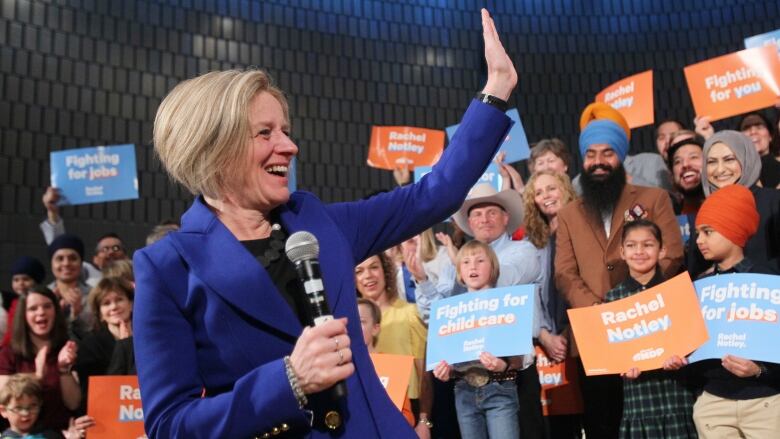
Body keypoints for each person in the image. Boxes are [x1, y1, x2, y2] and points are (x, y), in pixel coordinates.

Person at [131, 9, 517, 438]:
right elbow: (169, 426)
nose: (289, 146)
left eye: (287, 130)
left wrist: (496, 89)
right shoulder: (167, 268)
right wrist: (288, 380)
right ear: (212, 146)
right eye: (266, 133)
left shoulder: (319, 222)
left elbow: (434, 194)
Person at [555, 102, 683, 439]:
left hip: (650, 330)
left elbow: (673, 254)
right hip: (595, 338)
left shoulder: (654, 198)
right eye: (591, 154)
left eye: (608, 153)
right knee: (602, 425)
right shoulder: (569, 214)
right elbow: (565, 273)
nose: (599, 161)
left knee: (655, 423)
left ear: (621, 157)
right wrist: (598, 311)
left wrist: (634, 303)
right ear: (583, 161)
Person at [665, 184, 780, 438]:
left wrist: (760, 370)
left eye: (707, 232)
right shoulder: (697, 287)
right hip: (713, 403)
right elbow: (693, 352)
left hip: (766, 401)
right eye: (697, 233)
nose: (699, 241)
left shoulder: (770, 280)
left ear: (733, 231)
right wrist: (678, 361)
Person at [605, 220, 697, 438]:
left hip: (676, 393)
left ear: (662, 249)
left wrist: (684, 358)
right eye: (631, 245)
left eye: (647, 245)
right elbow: (614, 353)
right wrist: (622, 364)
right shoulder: (613, 300)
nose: (639, 251)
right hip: (638, 398)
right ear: (622, 251)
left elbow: (693, 342)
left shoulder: (677, 291)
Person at [432, 240, 522, 439]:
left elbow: (522, 356)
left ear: (493, 267)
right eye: (465, 262)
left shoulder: (508, 302)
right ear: (459, 273)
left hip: (500, 389)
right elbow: (450, 359)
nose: (472, 266)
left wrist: (502, 365)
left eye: (480, 260)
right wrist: (447, 371)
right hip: (464, 392)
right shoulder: (451, 311)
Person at [522, 171, 582, 438]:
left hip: (581, 338)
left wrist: (571, 331)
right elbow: (528, 293)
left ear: (566, 190)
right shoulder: (531, 244)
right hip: (547, 344)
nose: (546, 196)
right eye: (539, 192)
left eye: (551, 189)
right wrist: (544, 335)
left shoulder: (585, 231)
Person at [354, 253, 430, 434]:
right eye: (359, 271)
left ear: (386, 271)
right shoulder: (346, 321)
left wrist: (424, 421)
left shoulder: (409, 313)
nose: (368, 276)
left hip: (408, 411)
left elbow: (424, 375)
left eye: (374, 267)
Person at [688, 130, 780, 276]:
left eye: (729, 159)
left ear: (746, 159)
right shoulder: (707, 209)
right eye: (711, 162)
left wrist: (753, 280)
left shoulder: (775, 201)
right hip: (721, 295)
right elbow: (695, 270)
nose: (720, 169)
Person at [0, 286, 80, 431]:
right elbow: (4, 400)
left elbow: (73, 403)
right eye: (33, 308)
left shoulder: (66, 348)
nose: (41, 312)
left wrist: (63, 370)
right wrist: (37, 377)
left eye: (47, 306)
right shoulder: (8, 353)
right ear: (23, 315)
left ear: (55, 311)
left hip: (59, 433)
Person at [40, 188, 128, 284]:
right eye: (105, 249)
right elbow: (60, 247)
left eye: (116, 248)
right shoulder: (87, 274)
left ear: (126, 257)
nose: (111, 252)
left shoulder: (138, 276)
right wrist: (52, 212)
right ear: (95, 259)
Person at [75, 277, 134, 408]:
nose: (114, 306)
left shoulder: (150, 338)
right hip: (108, 411)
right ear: (100, 313)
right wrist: (124, 346)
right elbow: (103, 392)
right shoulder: (90, 345)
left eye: (119, 299)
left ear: (131, 304)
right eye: (106, 303)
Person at [356, 298, 415, 427]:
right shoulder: (342, 369)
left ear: (375, 328)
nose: (354, 327)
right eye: (351, 322)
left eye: (360, 321)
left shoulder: (392, 367)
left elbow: (408, 417)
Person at [0, 374, 68, 438]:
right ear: (3, 411)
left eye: (32, 407)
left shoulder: (50, 435)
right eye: (18, 408)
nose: (25, 413)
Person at [666, 137, 705, 216]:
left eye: (693, 157)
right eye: (678, 161)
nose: (685, 164)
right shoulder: (669, 219)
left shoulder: (730, 204)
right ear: (672, 177)